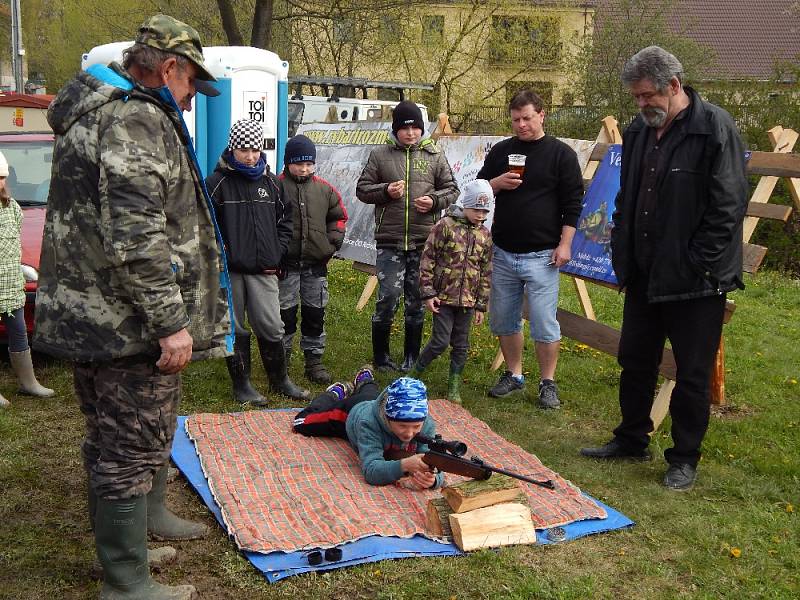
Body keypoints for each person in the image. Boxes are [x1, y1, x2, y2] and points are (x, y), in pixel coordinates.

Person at [34, 14, 232, 599]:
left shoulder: (98, 113)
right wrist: (171, 324)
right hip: (127, 324)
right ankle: (126, 583)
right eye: (192, 83)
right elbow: (137, 233)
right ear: (169, 68)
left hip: (96, 315)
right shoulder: (133, 120)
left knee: (116, 432)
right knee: (128, 442)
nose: (193, 96)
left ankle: (145, 525)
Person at [580, 46, 749, 491]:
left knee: (691, 374)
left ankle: (684, 458)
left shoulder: (714, 128)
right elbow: (627, 196)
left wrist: (699, 265)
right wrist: (623, 253)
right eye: (636, 98)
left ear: (674, 86)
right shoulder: (638, 132)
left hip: (695, 282)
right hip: (644, 273)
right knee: (635, 360)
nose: (641, 105)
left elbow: (728, 207)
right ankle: (631, 439)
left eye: (648, 96)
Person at [476, 89, 584, 409]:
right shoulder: (501, 151)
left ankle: (548, 382)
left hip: (543, 255)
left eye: (526, 118)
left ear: (541, 114)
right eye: (515, 120)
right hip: (504, 251)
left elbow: (573, 204)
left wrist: (565, 244)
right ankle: (514, 374)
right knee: (504, 319)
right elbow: (478, 190)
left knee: (543, 322)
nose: (521, 125)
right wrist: (496, 185)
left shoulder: (561, 154)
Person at [207, 119, 310, 403]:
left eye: (254, 149)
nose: (250, 155)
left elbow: (285, 221)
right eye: (243, 149)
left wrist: (277, 251)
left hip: (265, 268)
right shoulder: (216, 184)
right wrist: (222, 254)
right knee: (235, 327)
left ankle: (281, 381)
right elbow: (205, 226)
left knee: (271, 324)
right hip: (230, 270)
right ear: (232, 148)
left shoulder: (272, 184)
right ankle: (242, 386)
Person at [356, 101, 459, 372]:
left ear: (422, 129)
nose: (411, 133)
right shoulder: (380, 155)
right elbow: (363, 190)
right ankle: (381, 357)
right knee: (388, 297)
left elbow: (452, 190)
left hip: (423, 241)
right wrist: (386, 190)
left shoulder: (434, 155)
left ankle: (411, 356)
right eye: (405, 128)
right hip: (389, 240)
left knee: (417, 299)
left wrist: (435, 201)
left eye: (415, 128)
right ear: (396, 129)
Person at [410, 179, 494, 404]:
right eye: (476, 209)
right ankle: (414, 375)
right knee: (439, 342)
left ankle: (454, 384)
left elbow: (486, 270)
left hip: (468, 301)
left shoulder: (485, 234)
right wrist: (427, 293)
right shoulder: (445, 226)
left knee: (461, 344)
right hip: (443, 298)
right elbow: (428, 258)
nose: (480, 214)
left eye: (485, 210)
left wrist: (480, 305)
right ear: (466, 205)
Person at [294, 371, 444, 490]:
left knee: (370, 394)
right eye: (402, 426)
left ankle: (365, 378)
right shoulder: (368, 423)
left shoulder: (426, 423)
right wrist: (404, 465)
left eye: (416, 427)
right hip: (349, 413)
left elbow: (438, 463)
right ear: (387, 417)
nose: (409, 433)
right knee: (302, 423)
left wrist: (432, 480)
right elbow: (371, 471)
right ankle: (335, 393)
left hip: (373, 401)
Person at [278, 134, 348, 385]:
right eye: (298, 163)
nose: (304, 168)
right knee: (284, 315)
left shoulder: (325, 190)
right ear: (287, 163)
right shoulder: (275, 187)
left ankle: (314, 361)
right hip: (284, 267)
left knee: (314, 314)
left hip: (315, 266)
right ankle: (281, 360)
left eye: (308, 163)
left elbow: (338, 216)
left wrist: (332, 243)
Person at [0, 150, 54, 408]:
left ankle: (28, 382)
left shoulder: (12, 208)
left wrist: (19, 269)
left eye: (2, 177)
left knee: (19, 332)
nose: (0, 182)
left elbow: (13, 244)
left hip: (11, 284)